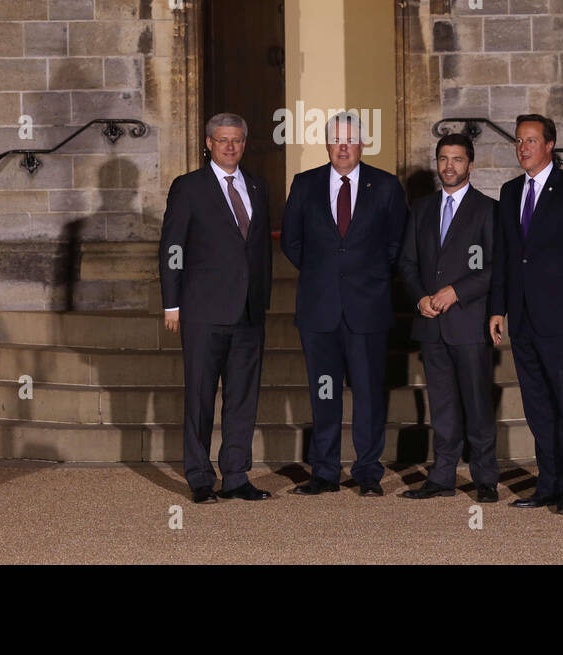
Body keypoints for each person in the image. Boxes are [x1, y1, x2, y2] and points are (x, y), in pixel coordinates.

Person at [281, 111, 408, 496]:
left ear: (362, 144)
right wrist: (325, 273)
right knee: (324, 391)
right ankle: (324, 471)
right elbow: (291, 241)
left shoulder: (384, 186)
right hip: (319, 310)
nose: (343, 147)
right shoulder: (305, 184)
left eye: (350, 140)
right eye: (337, 140)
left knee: (368, 393)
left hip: (367, 308)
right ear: (327, 144)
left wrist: (364, 276)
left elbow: (396, 243)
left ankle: (368, 472)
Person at [489, 114, 563, 514]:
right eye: (519, 141)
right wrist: (497, 309)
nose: (524, 147)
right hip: (522, 320)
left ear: (550, 145)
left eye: (532, 140)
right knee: (538, 409)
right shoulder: (508, 192)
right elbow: (504, 256)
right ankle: (548, 485)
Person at [159, 113, 273, 503]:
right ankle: (200, 477)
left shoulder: (257, 186)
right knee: (201, 396)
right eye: (222, 140)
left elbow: (259, 253)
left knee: (243, 397)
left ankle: (237, 476)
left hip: (249, 313)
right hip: (202, 311)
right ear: (208, 142)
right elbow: (173, 248)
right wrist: (171, 303)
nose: (230, 146)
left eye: (237, 140)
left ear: (244, 143)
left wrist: (263, 302)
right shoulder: (188, 187)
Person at [397, 132, 499, 502]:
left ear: (470, 165)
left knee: (476, 402)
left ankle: (485, 477)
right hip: (430, 324)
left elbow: (495, 268)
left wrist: (458, 291)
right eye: (443, 159)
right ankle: (442, 477)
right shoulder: (421, 208)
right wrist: (419, 297)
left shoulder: (488, 210)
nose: (449, 166)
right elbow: (406, 262)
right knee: (441, 406)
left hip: (469, 323)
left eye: (457, 159)